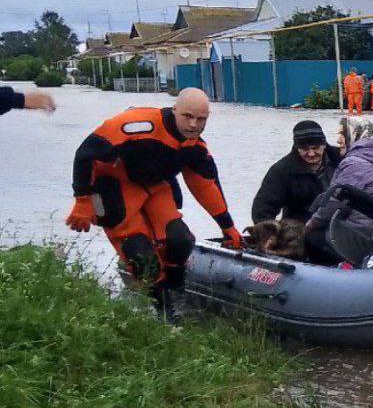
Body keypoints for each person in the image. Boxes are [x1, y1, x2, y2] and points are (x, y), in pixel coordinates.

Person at [65, 88, 242, 321]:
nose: (193, 125)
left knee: (180, 239)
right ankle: (162, 308)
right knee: (139, 253)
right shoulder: (135, 126)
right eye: (187, 117)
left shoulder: (195, 147)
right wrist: (83, 199)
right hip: (107, 186)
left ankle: (176, 289)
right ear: (175, 110)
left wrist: (227, 226)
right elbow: (85, 154)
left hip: (153, 184)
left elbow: (206, 186)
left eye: (201, 119)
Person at [304, 116, 373, 265]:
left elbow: (335, 202)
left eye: (342, 134)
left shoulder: (354, 163)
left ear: (355, 135)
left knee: (312, 238)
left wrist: (311, 223)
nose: (338, 140)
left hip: (364, 234)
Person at [251, 119, 341, 224]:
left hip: (341, 224)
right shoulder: (282, 170)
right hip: (301, 230)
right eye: (305, 149)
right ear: (296, 147)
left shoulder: (342, 160)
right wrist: (272, 234)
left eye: (315, 148)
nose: (311, 154)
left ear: (324, 144)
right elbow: (262, 210)